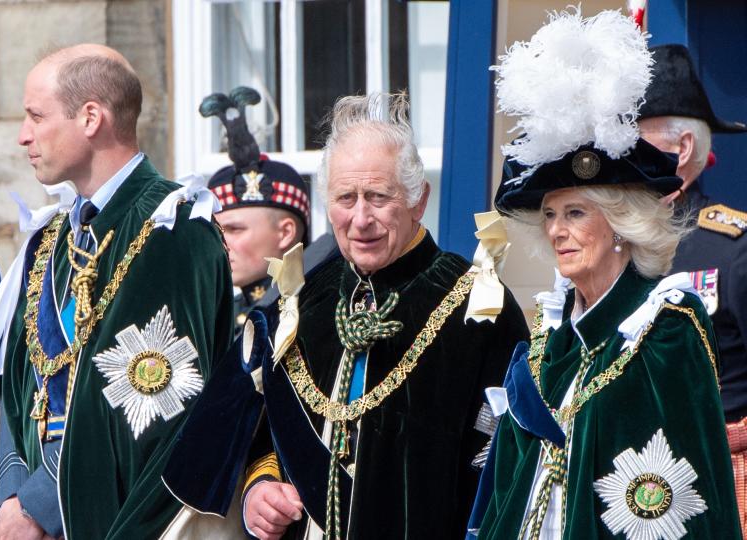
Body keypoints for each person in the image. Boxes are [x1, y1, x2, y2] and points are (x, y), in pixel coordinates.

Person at [163, 91, 529, 539]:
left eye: (377, 196)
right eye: (345, 197)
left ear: (418, 199)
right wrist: (260, 488)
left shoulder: (478, 307)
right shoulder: (301, 301)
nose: (360, 219)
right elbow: (262, 433)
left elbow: (503, 467)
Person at [472, 9, 741, 538]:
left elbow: (692, 498)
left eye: (576, 214)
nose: (557, 232)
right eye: (550, 215)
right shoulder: (548, 340)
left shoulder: (665, 328)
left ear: (619, 225)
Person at [0, 44, 234, 539]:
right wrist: (12, 497)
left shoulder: (173, 230)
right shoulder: (52, 240)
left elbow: (152, 411)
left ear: (90, 118)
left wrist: (38, 505)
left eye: (36, 116)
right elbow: (23, 386)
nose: (23, 136)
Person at [637, 43, 747, 531]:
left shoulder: (733, 248)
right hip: (628, 471)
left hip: (722, 477)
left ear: (680, 150)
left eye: (634, 143)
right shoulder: (613, 243)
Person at [202, 86, 311, 333]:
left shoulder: (315, 308)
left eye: (234, 229)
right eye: (218, 231)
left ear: (285, 233)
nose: (221, 243)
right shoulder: (220, 316)